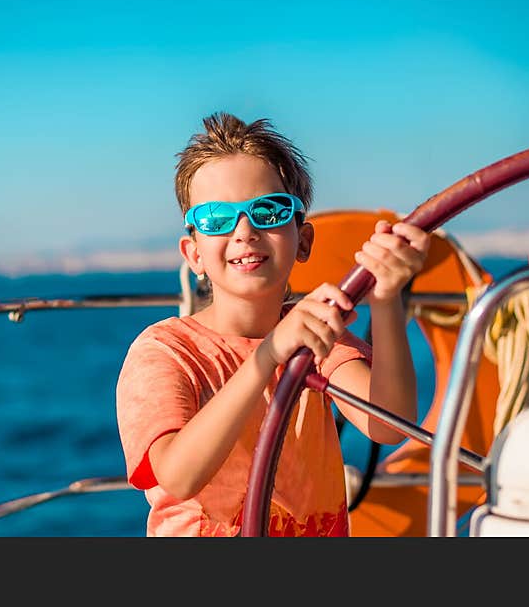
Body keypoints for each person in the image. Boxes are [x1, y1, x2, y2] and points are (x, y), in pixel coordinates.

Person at [115, 112, 430, 536]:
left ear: (303, 241)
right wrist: (269, 355)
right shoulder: (165, 351)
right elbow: (178, 475)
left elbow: (388, 424)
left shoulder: (317, 338)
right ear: (193, 254)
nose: (244, 231)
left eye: (268, 211)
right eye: (217, 219)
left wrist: (387, 299)